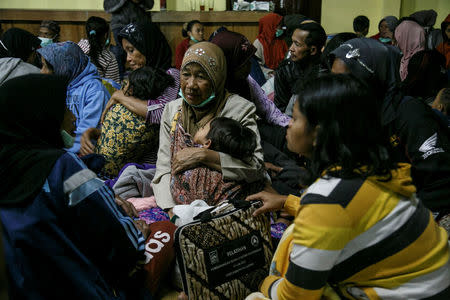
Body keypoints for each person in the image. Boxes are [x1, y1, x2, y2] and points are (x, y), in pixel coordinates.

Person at [246, 74, 450, 300]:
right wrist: (287, 202)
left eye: (294, 118)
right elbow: (351, 214)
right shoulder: (376, 168)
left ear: (319, 132)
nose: (288, 125)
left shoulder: (326, 198)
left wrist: (265, 283)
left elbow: (294, 296)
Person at [0, 74, 150, 299]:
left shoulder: (7, 171)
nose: (73, 117)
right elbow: (120, 242)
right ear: (42, 116)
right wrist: (136, 232)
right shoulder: (62, 167)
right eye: (64, 109)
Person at [330, 37, 450, 215]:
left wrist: (394, 218)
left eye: (345, 81)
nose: (335, 90)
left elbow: (441, 184)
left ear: (372, 80)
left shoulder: (409, 114)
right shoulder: (355, 114)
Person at [152, 42, 265, 210]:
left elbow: (255, 167)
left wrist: (204, 155)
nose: (190, 84)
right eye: (186, 74)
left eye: (201, 76)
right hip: (180, 206)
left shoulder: (239, 109)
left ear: (216, 78)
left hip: (226, 205)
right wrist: (172, 210)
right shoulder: (172, 110)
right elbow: (163, 167)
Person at [80, 22, 180, 160]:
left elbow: (162, 113)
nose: (128, 59)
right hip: (122, 163)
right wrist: (95, 133)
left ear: (148, 47)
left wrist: (119, 96)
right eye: (126, 52)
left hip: (150, 166)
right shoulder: (132, 78)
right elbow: (125, 126)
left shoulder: (171, 76)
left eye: (131, 50)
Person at [95, 66, 174, 177]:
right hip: (127, 174)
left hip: (100, 169)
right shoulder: (154, 122)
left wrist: (117, 95)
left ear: (131, 90)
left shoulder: (119, 108)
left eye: (126, 84)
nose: (123, 87)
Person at [38, 41, 111, 154]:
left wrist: (62, 154)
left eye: (45, 67)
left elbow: (86, 135)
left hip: (86, 153)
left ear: (63, 67)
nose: (41, 72)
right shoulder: (63, 85)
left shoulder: (94, 90)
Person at [211, 30, 291, 128]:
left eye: (250, 61)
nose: (250, 66)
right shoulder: (210, 90)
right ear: (229, 65)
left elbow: (268, 111)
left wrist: (291, 126)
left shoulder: (247, 81)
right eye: (244, 63)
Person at [171, 117, 259, 205]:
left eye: (204, 127)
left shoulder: (190, 156)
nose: (201, 126)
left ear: (207, 143)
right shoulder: (239, 175)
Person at [274, 22, 326, 112]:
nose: (291, 48)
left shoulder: (325, 71)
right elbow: (280, 108)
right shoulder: (285, 69)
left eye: (297, 44)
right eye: (292, 42)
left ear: (313, 50)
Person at [103, 0, 154, 78]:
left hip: (140, 23)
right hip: (119, 24)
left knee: (143, 51)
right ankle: (119, 79)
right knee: (121, 51)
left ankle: (144, 78)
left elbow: (150, 5)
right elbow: (107, 7)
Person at [78, 16, 120, 84]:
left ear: (87, 33)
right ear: (105, 35)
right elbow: (113, 86)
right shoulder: (109, 58)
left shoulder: (76, 49)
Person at [253, 13, 288, 80]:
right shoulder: (258, 43)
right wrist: (270, 72)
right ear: (270, 26)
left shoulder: (281, 41)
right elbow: (256, 66)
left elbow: (286, 59)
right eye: (279, 26)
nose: (281, 28)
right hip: (265, 77)